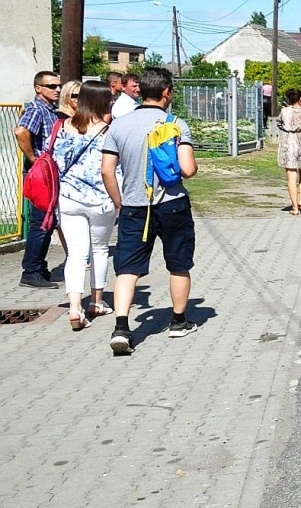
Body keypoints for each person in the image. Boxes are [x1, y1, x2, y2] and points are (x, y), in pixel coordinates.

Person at [101, 66, 199, 354]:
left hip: (133, 205)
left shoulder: (119, 125)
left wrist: (120, 202)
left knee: (127, 269)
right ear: (166, 92)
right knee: (178, 263)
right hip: (172, 204)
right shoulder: (175, 124)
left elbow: (107, 170)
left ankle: (121, 327)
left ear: (140, 90)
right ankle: (178, 322)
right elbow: (188, 169)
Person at [53, 81, 115, 329]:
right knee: (99, 250)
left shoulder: (64, 126)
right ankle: (97, 302)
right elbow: (112, 167)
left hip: (68, 198)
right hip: (101, 199)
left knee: (76, 254)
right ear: (102, 101)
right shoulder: (107, 129)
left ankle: (75, 307)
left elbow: (56, 161)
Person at [15, 70, 62, 288]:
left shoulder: (49, 110)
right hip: (41, 174)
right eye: (51, 86)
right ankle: (31, 271)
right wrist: (34, 159)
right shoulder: (36, 109)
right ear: (38, 88)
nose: (57, 90)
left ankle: (39, 267)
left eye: (58, 86)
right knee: (41, 223)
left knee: (48, 222)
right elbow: (21, 132)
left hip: (48, 173)